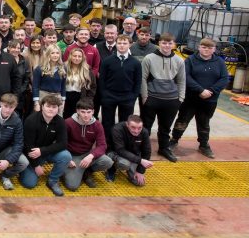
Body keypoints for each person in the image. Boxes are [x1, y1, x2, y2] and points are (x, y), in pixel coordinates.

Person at [170, 38, 229, 159]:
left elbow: (224, 79)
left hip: (209, 100)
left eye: (209, 48)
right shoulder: (190, 60)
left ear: (214, 49)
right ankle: (174, 140)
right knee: (182, 120)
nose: (206, 49)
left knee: (204, 123)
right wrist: (200, 90)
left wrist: (211, 91)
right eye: (204, 47)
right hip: (190, 99)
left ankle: (203, 145)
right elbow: (186, 76)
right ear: (199, 47)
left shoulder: (219, 62)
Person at [141, 32, 186, 163]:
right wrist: (145, 97)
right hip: (152, 98)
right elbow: (142, 78)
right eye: (164, 43)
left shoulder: (179, 60)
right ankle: (143, 150)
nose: (166, 45)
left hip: (171, 100)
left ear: (174, 45)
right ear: (158, 43)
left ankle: (164, 148)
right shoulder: (148, 58)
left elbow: (182, 80)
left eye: (169, 43)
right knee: (146, 127)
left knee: (165, 128)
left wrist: (180, 98)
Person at [20, 94, 71, 196]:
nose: (51, 110)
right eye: (48, 106)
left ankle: (52, 181)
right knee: (29, 184)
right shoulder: (31, 120)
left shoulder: (60, 122)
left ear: (58, 108)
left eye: (54, 107)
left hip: (45, 152)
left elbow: (63, 143)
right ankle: (25, 170)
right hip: (32, 155)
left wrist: (42, 151)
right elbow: (27, 146)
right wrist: (36, 166)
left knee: (66, 156)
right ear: (42, 106)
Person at [98, 34, 141, 146]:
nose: (121, 46)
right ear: (116, 44)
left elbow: (138, 82)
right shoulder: (107, 61)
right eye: (119, 43)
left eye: (125, 43)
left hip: (127, 97)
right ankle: (108, 144)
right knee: (107, 122)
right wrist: (104, 94)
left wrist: (133, 97)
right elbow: (102, 79)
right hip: (109, 96)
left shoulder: (135, 63)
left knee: (125, 122)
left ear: (130, 44)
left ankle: (121, 144)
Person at [63, 99, 113, 190]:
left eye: (89, 112)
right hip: (72, 157)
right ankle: (66, 171)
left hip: (87, 155)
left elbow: (102, 145)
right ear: (77, 111)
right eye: (83, 112)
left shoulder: (97, 125)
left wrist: (91, 155)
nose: (86, 115)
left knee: (108, 162)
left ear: (93, 111)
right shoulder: (68, 122)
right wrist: (67, 158)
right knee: (72, 186)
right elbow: (61, 143)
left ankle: (87, 172)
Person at [109, 115, 153, 186]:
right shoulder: (117, 129)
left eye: (139, 128)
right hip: (115, 153)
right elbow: (120, 150)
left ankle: (131, 170)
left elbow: (147, 152)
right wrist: (140, 161)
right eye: (133, 127)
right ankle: (111, 169)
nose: (136, 131)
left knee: (139, 183)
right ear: (127, 124)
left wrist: (140, 171)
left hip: (133, 156)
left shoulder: (144, 132)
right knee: (124, 163)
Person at [32, 45, 66, 114]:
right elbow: (35, 86)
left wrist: (63, 102)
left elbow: (63, 86)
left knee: (57, 120)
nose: (55, 55)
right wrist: (36, 103)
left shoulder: (63, 68)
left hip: (57, 97)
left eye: (57, 53)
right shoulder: (39, 69)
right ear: (48, 54)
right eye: (52, 53)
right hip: (43, 96)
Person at [63, 47, 96, 118]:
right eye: (74, 56)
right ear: (70, 56)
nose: (77, 58)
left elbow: (93, 86)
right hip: (65, 96)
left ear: (82, 58)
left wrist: (88, 99)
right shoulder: (63, 67)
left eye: (79, 56)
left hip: (80, 97)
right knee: (65, 117)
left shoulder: (87, 70)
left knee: (78, 118)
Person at [8, 40, 31, 118]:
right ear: (9, 48)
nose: (16, 50)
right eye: (13, 47)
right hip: (7, 93)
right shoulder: (4, 59)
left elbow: (27, 78)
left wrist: (20, 91)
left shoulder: (24, 60)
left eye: (18, 48)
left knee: (18, 116)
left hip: (21, 94)